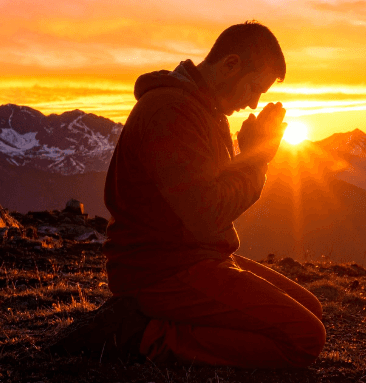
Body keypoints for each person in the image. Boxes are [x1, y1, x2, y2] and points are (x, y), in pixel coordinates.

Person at [101, 21, 326, 368]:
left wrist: (249, 153)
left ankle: (182, 322)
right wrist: (258, 162)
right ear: (231, 64)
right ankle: (145, 334)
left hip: (194, 253)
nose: (253, 102)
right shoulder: (171, 112)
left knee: (311, 309)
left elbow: (205, 195)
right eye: (254, 87)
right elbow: (206, 213)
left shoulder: (203, 109)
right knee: (305, 337)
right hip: (160, 269)